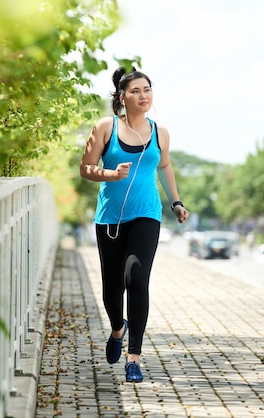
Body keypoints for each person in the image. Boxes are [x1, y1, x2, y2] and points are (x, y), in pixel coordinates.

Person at [79, 66, 189, 383]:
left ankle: (134, 358)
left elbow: (165, 166)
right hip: (110, 218)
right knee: (111, 290)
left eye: (147, 90)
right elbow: (86, 168)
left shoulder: (160, 132)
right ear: (122, 97)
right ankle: (118, 329)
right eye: (136, 91)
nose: (144, 96)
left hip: (147, 214)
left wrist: (176, 202)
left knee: (136, 278)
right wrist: (110, 175)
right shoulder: (105, 128)